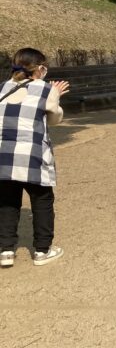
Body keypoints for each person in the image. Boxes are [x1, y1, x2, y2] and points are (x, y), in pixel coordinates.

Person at [0, 48, 69, 267]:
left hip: (3, 157)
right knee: (42, 200)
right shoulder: (44, 89)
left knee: (7, 203)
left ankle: (6, 250)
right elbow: (55, 118)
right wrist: (55, 94)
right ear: (39, 68)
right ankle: (42, 250)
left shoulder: (2, 87)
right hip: (32, 156)